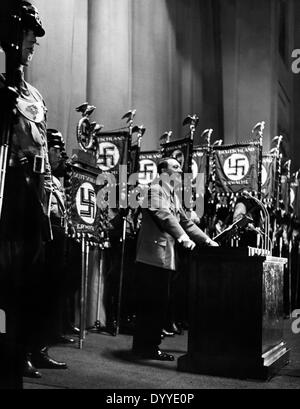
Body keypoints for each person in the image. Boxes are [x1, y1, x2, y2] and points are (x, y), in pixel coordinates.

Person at [0, 2, 66, 384]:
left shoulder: (35, 96)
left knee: (33, 279)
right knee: (10, 280)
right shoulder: (4, 92)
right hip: (10, 194)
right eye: (28, 37)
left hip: (36, 199)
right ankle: (13, 349)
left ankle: (28, 348)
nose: (32, 45)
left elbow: (42, 149)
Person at [132, 157, 218, 361]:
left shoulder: (172, 195)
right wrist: (183, 238)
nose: (180, 172)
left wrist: (207, 240)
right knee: (151, 306)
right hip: (152, 258)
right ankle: (145, 348)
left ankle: (149, 346)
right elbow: (164, 216)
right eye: (175, 168)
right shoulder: (153, 190)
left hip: (164, 258)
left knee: (159, 305)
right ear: (162, 171)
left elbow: (186, 222)